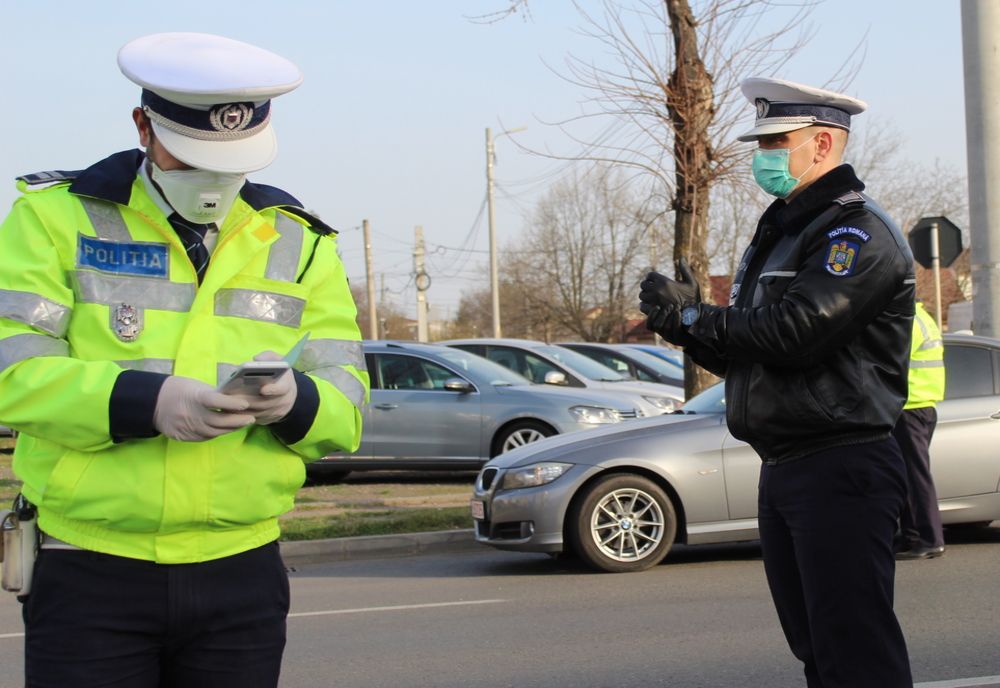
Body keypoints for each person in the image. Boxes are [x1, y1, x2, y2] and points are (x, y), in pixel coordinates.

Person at [0, 32, 368, 687]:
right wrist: (145, 403)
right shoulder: (52, 219)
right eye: (195, 156)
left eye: (233, 160)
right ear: (143, 126)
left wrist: (297, 401)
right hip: (89, 568)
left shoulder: (301, 241)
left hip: (242, 571)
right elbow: (12, 372)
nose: (215, 177)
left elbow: (348, 400)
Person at [639, 77, 915, 687]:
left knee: (855, 652)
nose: (761, 154)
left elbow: (797, 332)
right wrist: (679, 323)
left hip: (841, 464)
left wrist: (698, 316)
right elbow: (757, 352)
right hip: (787, 464)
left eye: (775, 141)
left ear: (823, 143)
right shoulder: (786, 231)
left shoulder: (855, 232)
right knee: (816, 647)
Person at [893, 300, 947, 560]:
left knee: (915, 475)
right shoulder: (923, 317)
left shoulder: (907, 319)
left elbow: (891, 357)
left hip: (910, 404)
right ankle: (912, 536)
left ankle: (929, 539)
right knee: (907, 474)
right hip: (922, 403)